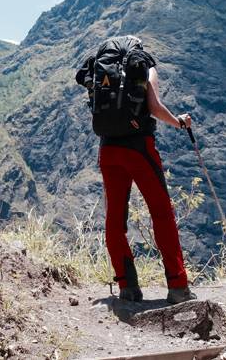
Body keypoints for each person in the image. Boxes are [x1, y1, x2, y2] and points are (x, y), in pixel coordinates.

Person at [78, 36, 197, 304]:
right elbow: (154, 108)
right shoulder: (143, 65)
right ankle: (178, 287)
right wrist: (179, 122)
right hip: (139, 148)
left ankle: (127, 288)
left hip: (108, 149)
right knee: (162, 214)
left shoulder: (100, 69)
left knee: (115, 219)